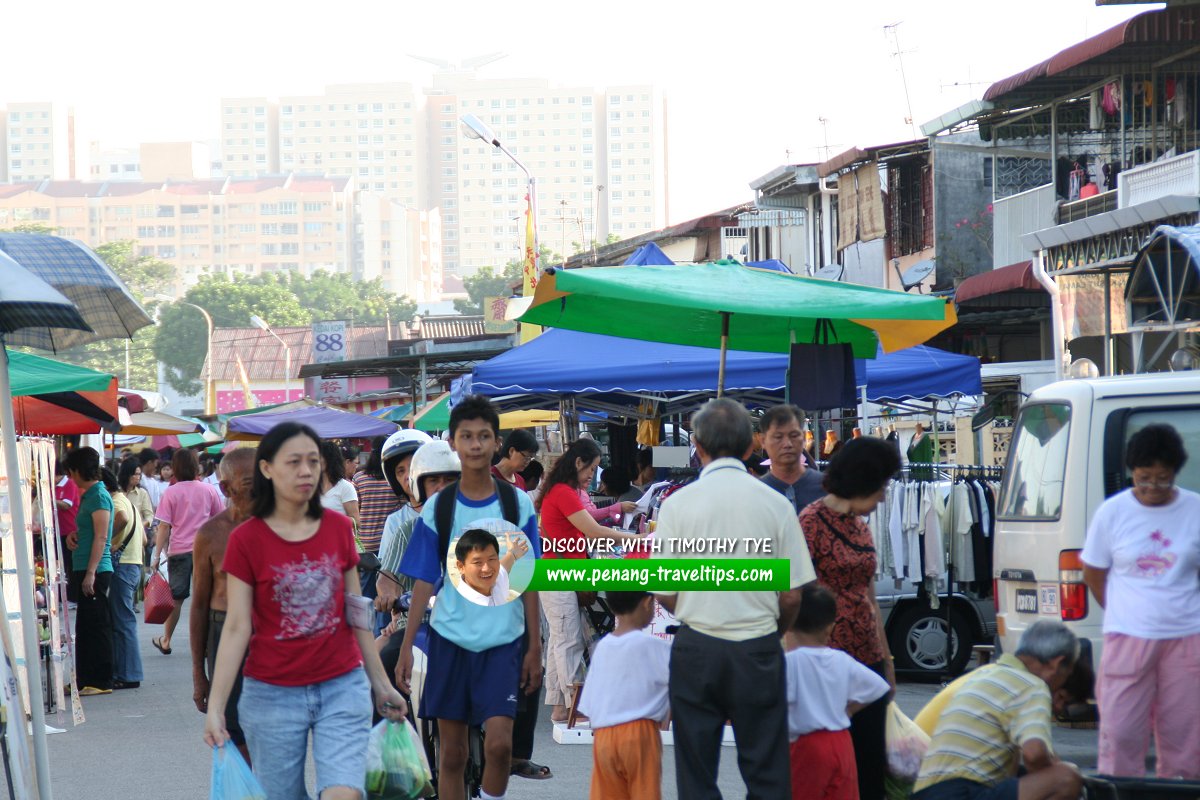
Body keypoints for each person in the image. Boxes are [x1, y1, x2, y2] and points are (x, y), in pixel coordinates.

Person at [202, 422, 408, 799]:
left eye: (313, 461)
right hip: (271, 695)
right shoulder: (246, 540)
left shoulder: (338, 527)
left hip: (341, 686)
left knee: (343, 794)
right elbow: (236, 626)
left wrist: (380, 683)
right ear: (267, 468)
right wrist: (216, 706)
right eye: (293, 461)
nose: (306, 471)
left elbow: (355, 610)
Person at [651, 398, 816, 799]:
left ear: (697, 445)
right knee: (767, 773)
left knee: (696, 774)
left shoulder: (676, 505)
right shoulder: (776, 503)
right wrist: (770, 628)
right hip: (758, 647)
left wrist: (695, 606)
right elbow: (793, 596)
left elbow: (663, 590)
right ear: (751, 446)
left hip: (697, 648)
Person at [396, 395, 543, 800]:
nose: (475, 444)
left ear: (496, 443)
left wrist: (535, 645)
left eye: (483, 436)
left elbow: (529, 580)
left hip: (503, 643)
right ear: (454, 443)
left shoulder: (517, 504)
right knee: (453, 755)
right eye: (466, 436)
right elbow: (424, 581)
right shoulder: (439, 509)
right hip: (449, 643)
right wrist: (407, 646)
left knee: (500, 746)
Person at [1081, 423, 1200, 778]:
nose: (1151, 487)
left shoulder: (1195, 509)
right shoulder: (1112, 513)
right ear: (1132, 471)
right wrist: (1122, 611)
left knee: (1186, 736)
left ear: (1175, 473)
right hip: (1127, 637)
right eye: (1143, 477)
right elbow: (1093, 572)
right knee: (1120, 731)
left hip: (1187, 639)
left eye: (1161, 478)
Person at [799, 437, 900, 800]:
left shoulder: (860, 524)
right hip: (829, 663)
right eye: (882, 487)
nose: (885, 497)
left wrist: (886, 659)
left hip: (867, 657)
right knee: (839, 767)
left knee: (872, 765)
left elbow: (868, 594)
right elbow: (792, 596)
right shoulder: (810, 522)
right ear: (863, 480)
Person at [913, 621, 1082, 800]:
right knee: (1066, 778)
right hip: (960, 793)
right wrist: (1057, 773)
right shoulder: (1032, 685)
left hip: (925, 792)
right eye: (1067, 674)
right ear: (1057, 664)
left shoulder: (984, 675)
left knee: (1020, 772)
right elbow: (1035, 755)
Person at [537, 438, 643, 724]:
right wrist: (636, 538)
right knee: (568, 639)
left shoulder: (561, 490)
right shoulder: (563, 492)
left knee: (560, 639)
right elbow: (593, 530)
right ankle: (574, 706)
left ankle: (560, 707)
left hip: (560, 570)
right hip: (560, 572)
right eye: (591, 469)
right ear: (578, 463)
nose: (592, 477)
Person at [784, 584, 890, 800]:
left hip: (806, 745)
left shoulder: (790, 663)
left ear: (792, 626)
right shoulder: (842, 660)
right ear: (831, 626)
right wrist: (848, 711)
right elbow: (878, 687)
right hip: (841, 741)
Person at [190, 448, 257, 764]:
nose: (257, 490)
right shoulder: (211, 533)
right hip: (223, 631)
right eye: (247, 483)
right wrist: (198, 673)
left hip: (269, 634)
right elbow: (200, 604)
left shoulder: (281, 525)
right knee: (233, 731)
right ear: (226, 489)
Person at [578, 591, 671, 800]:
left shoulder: (601, 647)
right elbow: (680, 683)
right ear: (648, 603)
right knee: (643, 792)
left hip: (604, 736)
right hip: (640, 733)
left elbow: (590, 700)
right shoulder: (654, 646)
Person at [151, 448, 226, 656]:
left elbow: (164, 527)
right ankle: (209, 643)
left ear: (175, 468)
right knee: (208, 598)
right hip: (206, 550)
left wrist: (157, 556)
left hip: (179, 551)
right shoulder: (209, 490)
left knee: (177, 599)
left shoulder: (171, 492)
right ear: (196, 467)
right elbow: (218, 521)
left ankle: (166, 640)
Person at [64, 447, 115, 696]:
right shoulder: (89, 495)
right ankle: (84, 679)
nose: (71, 478)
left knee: (97, 624)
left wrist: (91, 572)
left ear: (77, 470)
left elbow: (102, 536)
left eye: (71, 472)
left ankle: (101, 680)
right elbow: (89, 531)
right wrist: (74, 535)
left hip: (96, 568)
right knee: (85, 626)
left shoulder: (99, 496)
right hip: (83, 564)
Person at [373, 429, 436, 615]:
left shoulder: (469, 517)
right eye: (401, 471)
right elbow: (387, 573)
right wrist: (387, 595)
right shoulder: (404, 528)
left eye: (414, 467)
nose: (408, 475)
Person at [107, 466, 145, 690]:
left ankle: (129, 673)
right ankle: (127, 671)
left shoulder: (117, 500)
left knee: (123, 621)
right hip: (132, 563)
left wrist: (107, 539)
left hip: (124, 564)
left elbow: (120, 519)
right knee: (123, 620)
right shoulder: (125, 499)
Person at [760, 404, 826, 514]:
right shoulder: (756, 492)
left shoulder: (827, 488)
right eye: (778, 437)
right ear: (763, 441)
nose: (787, 444)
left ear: (804, 437)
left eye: (794, 435)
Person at [352, 437, 401, 558]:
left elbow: (355, 511)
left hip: (364, 544)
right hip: (390, 542)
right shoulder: (395, 479)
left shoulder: (358, 478)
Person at [453, 529, 529, 606]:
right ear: (461, 567)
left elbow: (504, 566)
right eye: (478, 562)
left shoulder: (496, 581)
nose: (487, 569)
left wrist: (512, 553)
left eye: (491, 559)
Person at [319, 439, 360, 529]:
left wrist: (330, 518)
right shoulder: (312, 488)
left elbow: (356, 522)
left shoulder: (345, 487)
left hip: (338, 540)